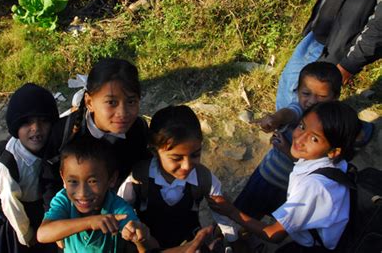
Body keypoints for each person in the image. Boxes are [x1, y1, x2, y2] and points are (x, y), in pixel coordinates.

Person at [209, 101, 361, 252]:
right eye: (302, 126)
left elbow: (274, 234)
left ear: (334, 151)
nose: (300, 139)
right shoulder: (335, 163)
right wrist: (289, 152)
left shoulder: (313, 188)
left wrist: (231, 211)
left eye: (314, 139)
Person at [276, 0, 382, 111]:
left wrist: (350, 64)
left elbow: (378, 28)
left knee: (307, 106)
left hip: (336, 50)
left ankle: (296, 135)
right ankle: (285, 134)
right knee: (288, 87)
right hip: (315, 36)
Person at [117, 105, 237, 250]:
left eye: (195, 155)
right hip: (148, 244)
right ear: (155, 150)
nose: (187, 166)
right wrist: (129, 229)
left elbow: (222, 214)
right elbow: (120, 210)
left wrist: (233, 240)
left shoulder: (204, 179)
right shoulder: (138, 177)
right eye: (176, 158)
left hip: (188, 242)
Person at [234, 62, 342, 220]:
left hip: (292, 190)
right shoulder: (300, 109)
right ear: (297, 91)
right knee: (244, 216)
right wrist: (274, 119)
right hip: (268, 175)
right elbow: (290, 113)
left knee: (277, 220)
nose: (312, 101)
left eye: (322, 97)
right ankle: (236, 239)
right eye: (306, 93)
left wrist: (287, 150)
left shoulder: (333, 127)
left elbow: (317, 167)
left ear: (336, 97)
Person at [41, 58, 151, 208]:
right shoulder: (65, 133)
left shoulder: (138, 130)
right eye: (111, 102)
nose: (123, 113)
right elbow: (49, 183)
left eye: (131, 102)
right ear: (89, 102)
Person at [37, 135, 155, 253]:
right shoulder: (64, 200)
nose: (82, 193)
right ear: (63, 178)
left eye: (92, 181)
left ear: (112, 179)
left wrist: (140, 238)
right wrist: (90, 222)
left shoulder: (117, 208)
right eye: (73, 181)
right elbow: (43, 234)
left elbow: (152, 248)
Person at [0, 83, 58, 253]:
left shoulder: (52, 147)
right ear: (15, 126)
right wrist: (26, 235)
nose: (36, 128)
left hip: (46, 209)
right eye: (27, 122)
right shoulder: (8, 165)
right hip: (24, 218)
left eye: (43, 121)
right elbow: (11, 206)